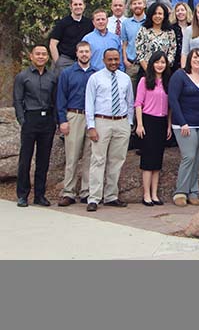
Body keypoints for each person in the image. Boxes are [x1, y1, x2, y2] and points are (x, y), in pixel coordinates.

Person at [85, 49, 134, 211]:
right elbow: (89, 103)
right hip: (102, 122)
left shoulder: (125, 78)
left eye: (116, 59)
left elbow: (130, 102)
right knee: (98, 160)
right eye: (110, 59)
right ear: (104, 60)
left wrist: (129, 123)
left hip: (121, 122)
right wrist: (91, 126)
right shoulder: (95, 78)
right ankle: (94, 198)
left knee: (117, 160)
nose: (113, 62)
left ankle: (111, 196)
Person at [13, 44, 58, 207]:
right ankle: (23, 195)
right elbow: (17, 100)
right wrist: (22, 120)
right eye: (37, 54)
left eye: (44, 54)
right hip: (30, 119)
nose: (41, 56)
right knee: (25, 159)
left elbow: (55, 99)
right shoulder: (22, 76)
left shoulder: (52, 77)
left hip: (47, 121)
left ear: (47, 57)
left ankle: (40, 195)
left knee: (43, 160)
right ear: (31, 56)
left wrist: (55, 120)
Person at [169, 48, 199, 207]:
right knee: (189, 156)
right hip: (185, 124)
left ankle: (193, 192)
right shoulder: (180, 75)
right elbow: (173, 99)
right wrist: (182, 122)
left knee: (197, 157)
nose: (197, 61)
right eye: (195, 58)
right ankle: (180, 191)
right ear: (189, 59)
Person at [56, 41, 96, 206]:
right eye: (81, 52)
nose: (84, 54)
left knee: (89, 156)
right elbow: (60, 97)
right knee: (72, 156)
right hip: (74, 115)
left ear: (91, 53)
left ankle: (86, 192)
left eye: (87, 51)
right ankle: (69, 192)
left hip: (92, 118)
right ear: (76, 53)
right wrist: (62, 120)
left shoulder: (96, 73)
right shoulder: (67, 73)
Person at [135, 51, 172, 206]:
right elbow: (138, 103)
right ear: (152, 64)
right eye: (157, 62)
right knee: (148, 160)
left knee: (158, 160)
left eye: (163, 62)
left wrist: (169, 125)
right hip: (148, 120)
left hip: (162, 121)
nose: (160, 65)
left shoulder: (168, 82)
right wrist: (140, 124)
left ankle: (155, 194)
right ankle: (146, 194)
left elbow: (170, 107)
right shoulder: (144, 81)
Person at [49, 0, 93, 76]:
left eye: (80, 4)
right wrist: (57, 62)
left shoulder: (89, 23)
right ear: (70, 6)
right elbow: (53, 44)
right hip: (65, 60)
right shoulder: (63, 23)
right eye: (75, 4)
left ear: (84, 6)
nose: (78, 7)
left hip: (82, 61)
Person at [135, 2, 177, 72]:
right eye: (155, 14)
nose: (157, 16)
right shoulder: (143, 30)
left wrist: (163, 68)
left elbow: (172, 52)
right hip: (146, 71)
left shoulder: (170, 32)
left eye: (160, 14)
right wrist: (148, 70)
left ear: (164, 16)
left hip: (164, 72)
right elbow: (139, 51)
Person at [121, 0, 147, 89]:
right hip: (132, 64)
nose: (137, 6)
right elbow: (124, 43)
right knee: (130, 93)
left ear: (144, 5)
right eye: (134, 4)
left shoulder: (149, 21)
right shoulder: (126, 23)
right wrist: (125, 59)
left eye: (139, 3)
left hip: (147, 64)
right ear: (131, 7)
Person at [169, 1, 193, 72]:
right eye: (177, 11)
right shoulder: (171, 28)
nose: (180, 12)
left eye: (182, 10)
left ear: (187, 12)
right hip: (175, 63)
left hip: (191, 61)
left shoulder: (193, 27)